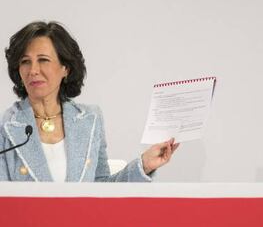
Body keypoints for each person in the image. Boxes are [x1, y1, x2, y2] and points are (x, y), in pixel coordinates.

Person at [0, 21, 179, 182]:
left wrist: (144, 165)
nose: (33, 70)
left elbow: (101, 189)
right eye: (25, 62)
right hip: (26, 219)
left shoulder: (90, 119)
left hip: (82, 219)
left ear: (66, 68)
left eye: (43, 60)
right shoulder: (6, 126)